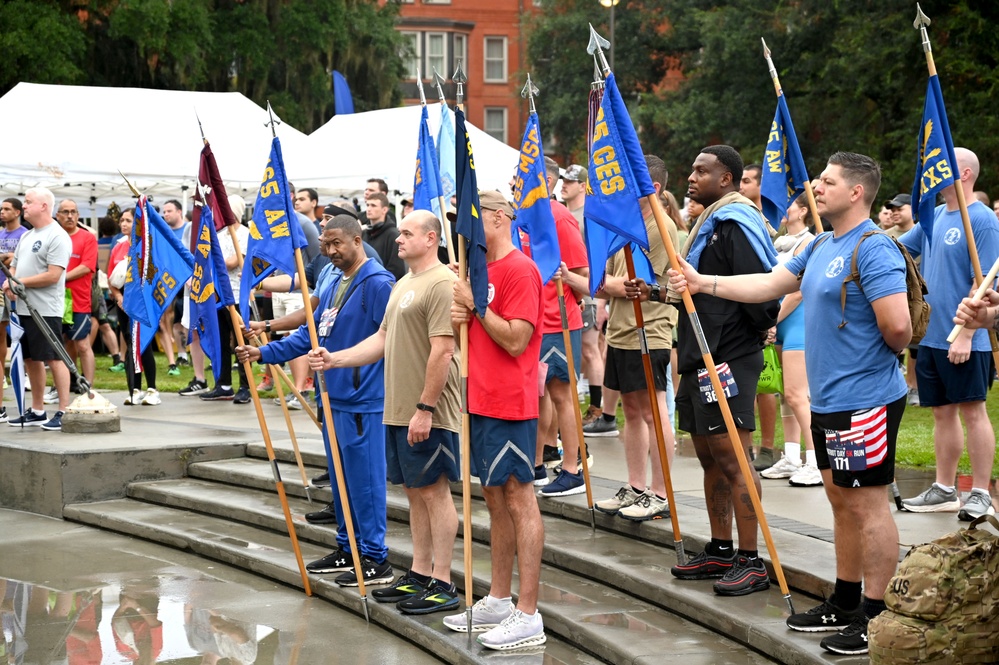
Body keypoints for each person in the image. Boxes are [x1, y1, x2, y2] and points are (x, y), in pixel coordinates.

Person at [667, 151, 910, 656]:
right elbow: (770, 284)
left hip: (864, 400)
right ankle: (844, 601)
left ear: (856, 192)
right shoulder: (822, 244)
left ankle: (875, 612)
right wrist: (702, 282)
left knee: (868, 505)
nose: (816, 187)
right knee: (840, 501)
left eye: (828, 181)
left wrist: (860, 362)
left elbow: (898, 328)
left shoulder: (873, 248)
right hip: (831, 400)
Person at [308, 210, 462, 614]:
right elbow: (382, 337)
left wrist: (426, 407)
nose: (398, 239)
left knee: (434, 491)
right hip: (397, 407)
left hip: (428, 408)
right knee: (414, 493)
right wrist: (335, 359)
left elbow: (444, 349)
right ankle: (420, 572)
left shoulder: (443, 282)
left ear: (431, 238)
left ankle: (443, 581)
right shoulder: (404, 283)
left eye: (408, 233)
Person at [236, 215, 396, 587]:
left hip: (362, 398)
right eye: (325, 244)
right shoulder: (333, 279)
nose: (330, 251)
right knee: (340, 480)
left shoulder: (378, 283)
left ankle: (375, 556)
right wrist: (264, 353)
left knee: (366, 481)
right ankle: (347, 545)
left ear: (357, 241)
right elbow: (311, 332)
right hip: (333, 395)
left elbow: (388, 341)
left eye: (337, 243)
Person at [446, 190, 546, 650]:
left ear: (501, 218)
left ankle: (528, 613)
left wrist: (476, 305)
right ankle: (500, 598)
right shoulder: (479, 271)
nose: (463, 228)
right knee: (493, 497)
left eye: (472, 217)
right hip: (479, 399)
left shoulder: (521, 270)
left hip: (509, 401)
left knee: (519, 497)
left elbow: (516, 340)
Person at [899, 147, 998, 521]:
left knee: (973, 411)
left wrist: (968, 334)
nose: (932, 170)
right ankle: (944, 489)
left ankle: (980, 493)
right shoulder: (933, 216)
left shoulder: (983, 220)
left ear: (966, 174)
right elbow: (895, 248)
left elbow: (984, 279)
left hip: (964, 336)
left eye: (943, 166)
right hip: (931, 336)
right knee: (942, 413)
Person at [590, 155, 678, 520]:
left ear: (653, 189)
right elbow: (607, 280)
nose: (621, 190)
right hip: (623, 330)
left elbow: (642, 285)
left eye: (629, 184)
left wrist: (613, 287)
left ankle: (660, 491)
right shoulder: (622, 225)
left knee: (654, 411)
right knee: (633, 411)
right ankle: (637, 485)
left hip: (651, 329)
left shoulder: (661, 226)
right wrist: (610, 287)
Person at [531, 157, 591, 497]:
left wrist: (564, 276)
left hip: (559, 322)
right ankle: (537, 463)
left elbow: (584, 277)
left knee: (561, 396)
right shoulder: (522, 218)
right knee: (537, 396)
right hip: (530, 322)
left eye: (522, 176)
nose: (515, 182)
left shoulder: (560, 217)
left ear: (547, 181)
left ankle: (572, 468)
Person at [760, 194, 821, 487]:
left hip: (797, 323)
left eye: (786, 205)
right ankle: (793, 457)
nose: (778, 210)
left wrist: (772, 320)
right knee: (785, 393)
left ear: (803, 211)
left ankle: (816, 460)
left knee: (798, 394)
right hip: (781, 321)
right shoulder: (778, 243)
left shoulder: (809, 242)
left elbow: (797, 292)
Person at [5, 188, 72, 430]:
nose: (24, 206)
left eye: (28, 202)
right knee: (31, 359)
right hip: (23, 308)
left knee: (54, 358)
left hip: (45, 310)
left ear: (44, 206)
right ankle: (37, 410)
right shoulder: (27, 235)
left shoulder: (57, 236)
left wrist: (18, 283)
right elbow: (14, 267)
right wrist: (10, 280)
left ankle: (64, 411)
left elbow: (54, 275)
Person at [108, 209, 160, 406]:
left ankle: (153, 389)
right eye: (121, 220)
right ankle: (135, 389)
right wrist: (119, 297)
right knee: (131, 345)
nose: (123, 224)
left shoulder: (147, 247)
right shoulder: (118, 247)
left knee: (144, 344)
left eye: (128, 221)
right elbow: (111, 277)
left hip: (143, 303)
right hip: (123, 303)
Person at [55, 199, 99, 390]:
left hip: (78, 299)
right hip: (55, 299)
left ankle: (88, 385)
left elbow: (87, 266)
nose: (70, 216)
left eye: (73, 212)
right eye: (65, 212)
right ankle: (66, 384)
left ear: (79, 216)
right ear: (58, 216)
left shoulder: (87, 238)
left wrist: (57, 277)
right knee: (63, 344)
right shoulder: (54, 237)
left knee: (82, 344)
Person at [0, 197, 28, 421]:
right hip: (0, 290)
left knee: (17, 334)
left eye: (7, 209)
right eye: (1, 208)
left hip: (16, 290)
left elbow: (15, 260)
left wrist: (9, 258)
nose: (2, 212)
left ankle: (20, 372)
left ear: (17, 212)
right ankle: (4, 373)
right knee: (2, 335)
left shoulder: (24, 234)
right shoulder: (1, 234)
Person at [362, 192, 406, 280]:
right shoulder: (364, 233)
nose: (368, 209)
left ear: (384, 210)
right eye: (367, 205)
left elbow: (396, 269)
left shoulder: (394, 235)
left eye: (373, 205)